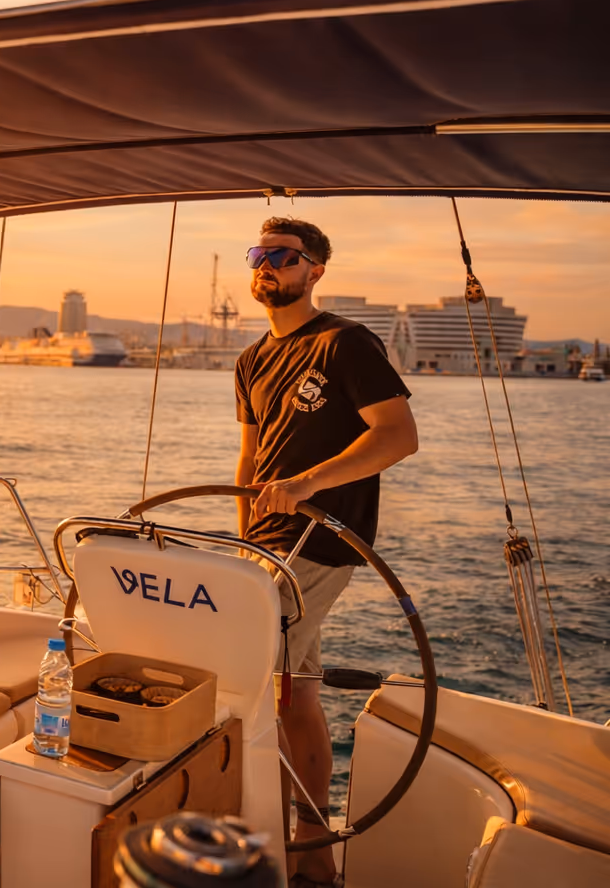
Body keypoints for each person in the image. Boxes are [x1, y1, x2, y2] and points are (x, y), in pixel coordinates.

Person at [233, 217, 418, 885]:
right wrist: (243, 538)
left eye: (283, 256)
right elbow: (251, 459)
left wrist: (307, 483)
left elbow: (397, 436)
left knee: (246, 680)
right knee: (297, 694)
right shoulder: (251, 358)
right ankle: (311, 853)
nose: (267, 266)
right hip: (266, 547)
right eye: (260, 254)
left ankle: (263, 852)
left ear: (315, 270)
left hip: (321, 537)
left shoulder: (346, 343)